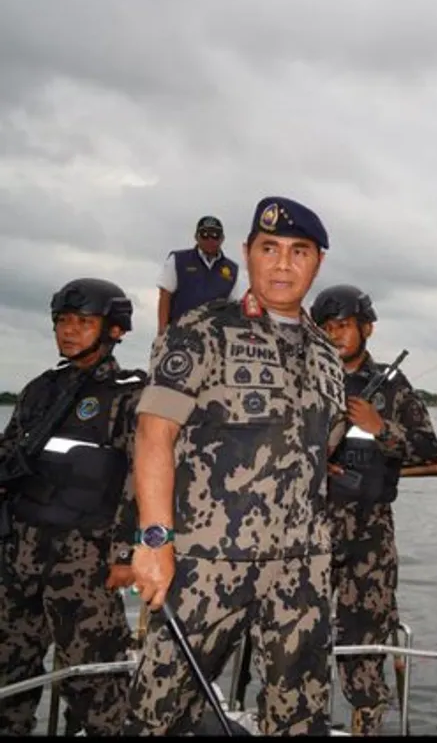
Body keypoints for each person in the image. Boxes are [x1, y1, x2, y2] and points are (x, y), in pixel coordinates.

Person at [124, 197, 346, 735]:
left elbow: (324, 447)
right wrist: (155, 540)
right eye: (269, 249)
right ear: (247, 254)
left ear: (318, 262)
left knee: (299, 717)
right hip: (206, 563)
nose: (283, 264)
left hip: (302, 567)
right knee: (159, 713)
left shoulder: (326, 353)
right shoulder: (202, 330)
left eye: (299, 252)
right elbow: (155, 433)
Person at [0, 278, 143, 735]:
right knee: (10, 669)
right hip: (20, 554)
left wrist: (124, 552)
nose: (70, 330)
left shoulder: (129, 395)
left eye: (84, 322)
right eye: (63, 320)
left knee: (96, 682)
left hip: (84, 562)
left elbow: (141, 479)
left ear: (114, 330)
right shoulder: (40, 389)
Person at [312, 284, 437, 735]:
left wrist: (380, 427)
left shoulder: (392, 386)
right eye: (325, 328)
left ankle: (368, 727)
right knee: (299, 645)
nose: (334, 335)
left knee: (365, 647)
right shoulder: (306, 382)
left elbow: (426, 447)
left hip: (370, 536)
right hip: (308, 535)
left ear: (366, 327)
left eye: (343, 326)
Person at [156, 215, 239, 334]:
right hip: (178, 334)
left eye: (215, 235)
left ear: (222, 238)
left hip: (214, 337)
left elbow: (234, 307)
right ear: (196, 237)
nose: (210, 239)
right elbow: (164, 295)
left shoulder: (232, 269)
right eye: (204, 234)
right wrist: (162, 332)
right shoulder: (178, 260)